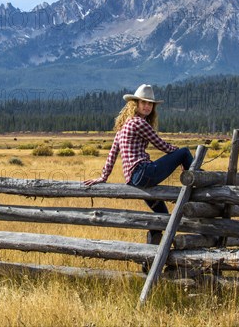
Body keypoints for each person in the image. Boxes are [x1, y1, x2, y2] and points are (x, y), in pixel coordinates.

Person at [83, 84, 193, 247]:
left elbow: (112, 154)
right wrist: (180, 158)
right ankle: (199, 185)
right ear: (136, 104)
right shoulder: (140, 123)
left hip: (135, 181)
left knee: (161, 213)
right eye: (144, 103)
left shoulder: (123, 127)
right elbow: (162, 145)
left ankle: (151, 250)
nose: (147, 106)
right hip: (145, 173)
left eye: (150, 104)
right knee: (184, 152)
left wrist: (103, 177)